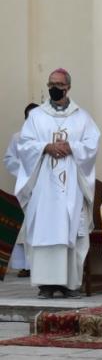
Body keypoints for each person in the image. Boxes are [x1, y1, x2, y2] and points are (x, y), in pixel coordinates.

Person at [14, 69, 100, 299]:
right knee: (45, 228)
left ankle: (70, 285)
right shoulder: (36, 116)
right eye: (51, 83)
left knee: (71, 228)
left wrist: (73, 147)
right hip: (45, 186)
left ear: (68, 88)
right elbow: (23, 145)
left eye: (59, 84)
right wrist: (45, 147)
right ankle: (46, 285)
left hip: (71, 184)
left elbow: (92, 144)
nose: (54, 87)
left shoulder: (81, 117)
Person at [3, 103, 39, 277]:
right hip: (24, 188)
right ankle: (24, 266)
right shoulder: (18, 137)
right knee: (24, 228)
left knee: (38, 227)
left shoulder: (44, 137)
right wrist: (24, 171)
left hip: (41, 187)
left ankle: (39, 266)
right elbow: (9, 159)